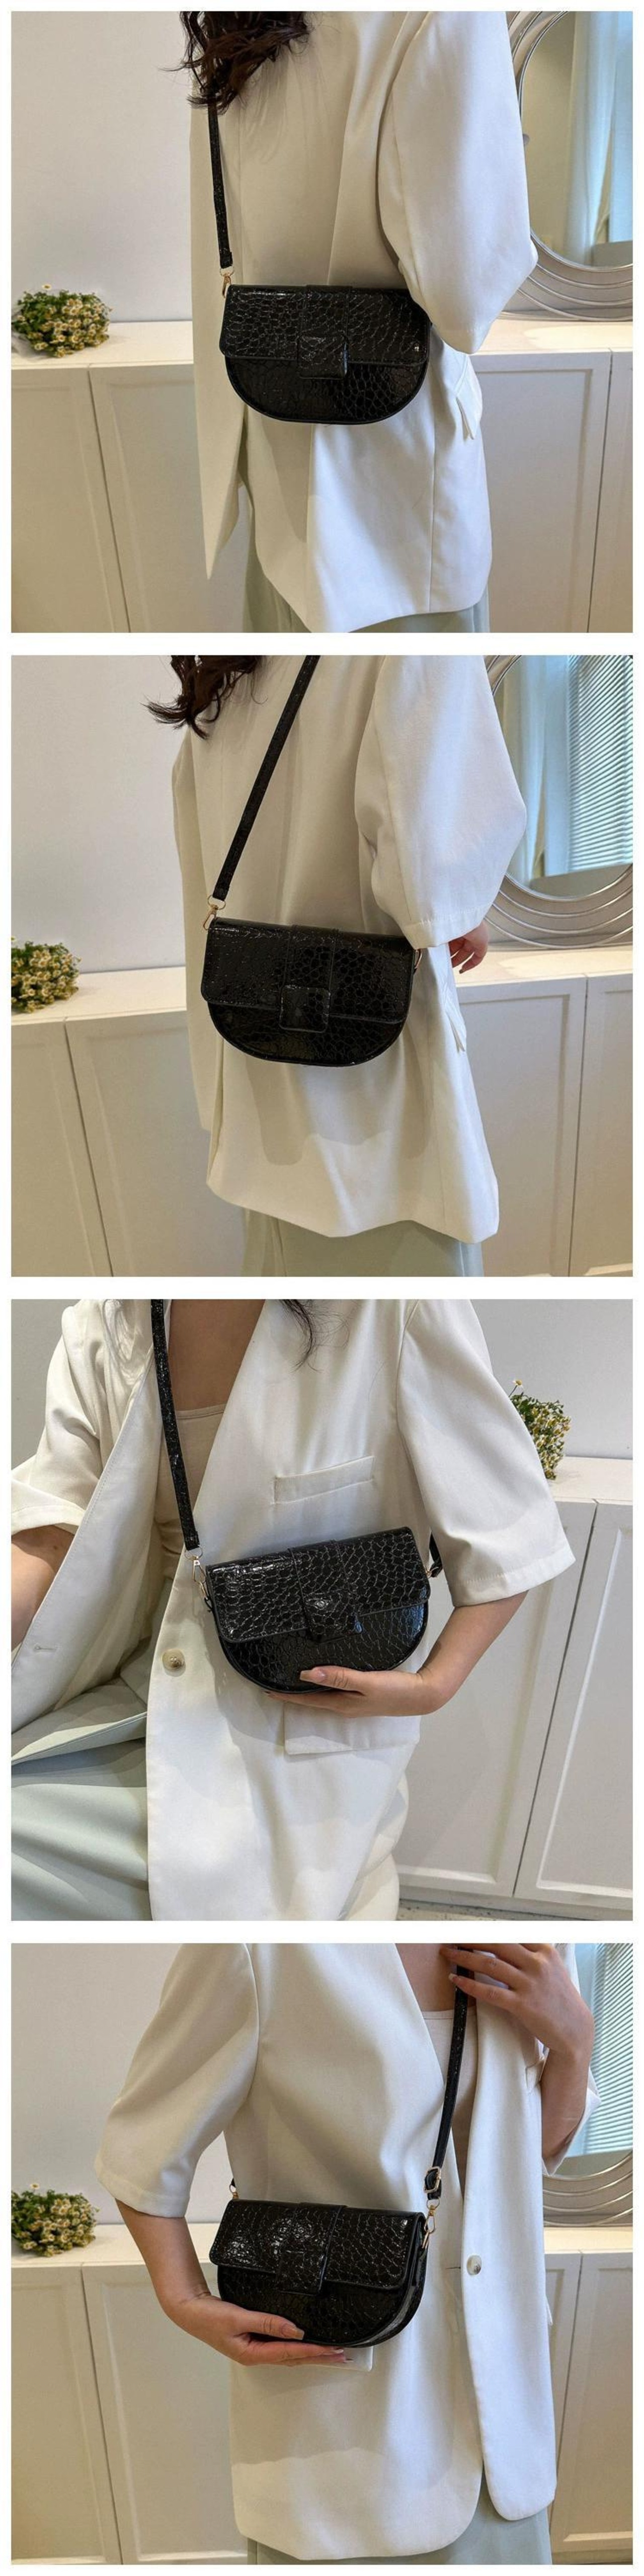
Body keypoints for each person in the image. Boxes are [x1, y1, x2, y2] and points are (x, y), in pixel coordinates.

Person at [12, 1298, 574, 1922]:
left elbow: (512, 1534)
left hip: (299, 1717)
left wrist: (432, 1687)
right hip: (136, 1686)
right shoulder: (105, 1322)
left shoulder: (394, 1308)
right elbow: (52, 1531)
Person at [96, 1939, 597, 2561]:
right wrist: (182, 2297)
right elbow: (140, 2148)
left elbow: (526, 2156)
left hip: (503, 2420)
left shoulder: (539, 1949)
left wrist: (574, 2042)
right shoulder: (260, 1946)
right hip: (344, 2435)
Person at [165, 653, 527, 1275]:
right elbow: (428, 878)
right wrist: (459, 909)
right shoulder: (401, 651)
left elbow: (202, 874)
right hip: (381, 1131)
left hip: (257, 1112)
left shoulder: (217, 691)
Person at [186, 10, 535, 631]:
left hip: (276, 483)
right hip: (396, 513)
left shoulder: (229, 21)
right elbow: (465, 302)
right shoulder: (439, 14)